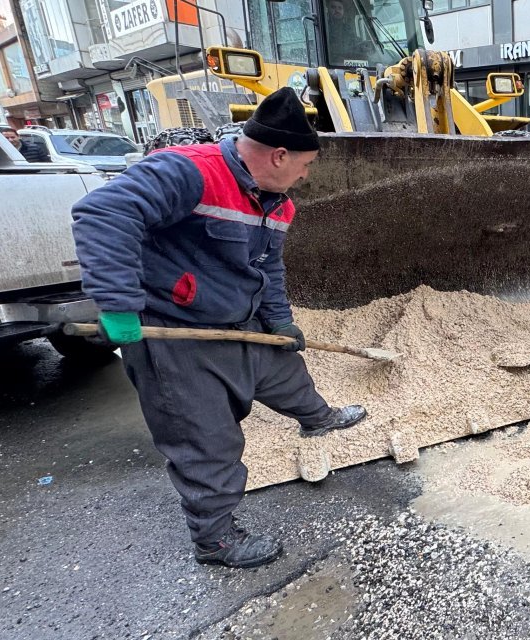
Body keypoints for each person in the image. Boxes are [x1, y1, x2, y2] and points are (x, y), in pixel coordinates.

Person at [70, 88, 369, 569]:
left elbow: (267, 267)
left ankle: (318, 418)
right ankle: (215, 540)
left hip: (238, 322)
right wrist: (119, 306)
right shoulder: (190, 171)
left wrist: (279, 319)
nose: (306, 175)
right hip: (174, 333)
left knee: (285, 371)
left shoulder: (277, 204)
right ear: (279, 155)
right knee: (205, 439)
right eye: (306, 165)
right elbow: (103, 214)